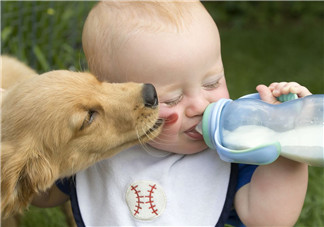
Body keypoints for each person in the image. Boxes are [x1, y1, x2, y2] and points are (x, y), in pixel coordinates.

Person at [32, 1, 310, 226]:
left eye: (212, 83)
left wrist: (285, 137)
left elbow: (270, 219)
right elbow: (42, 196)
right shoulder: (99, 151)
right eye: (171, 98)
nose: (200, 105)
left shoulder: (232, 147)